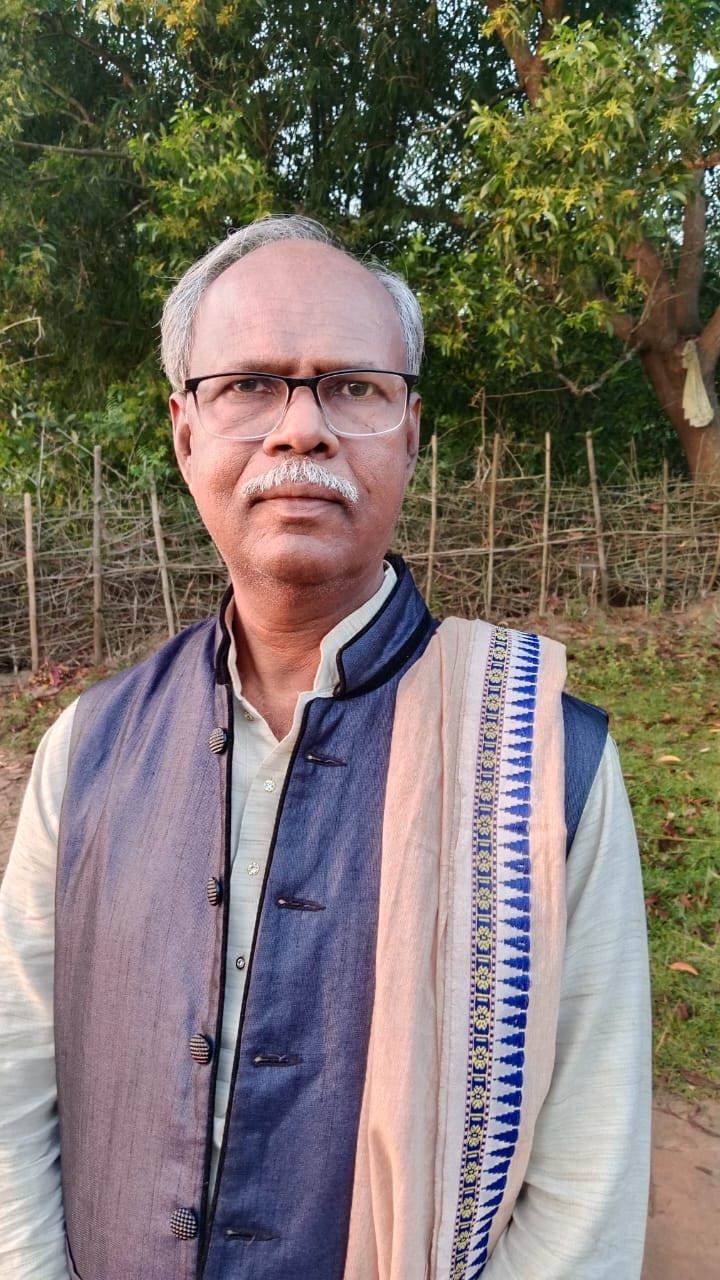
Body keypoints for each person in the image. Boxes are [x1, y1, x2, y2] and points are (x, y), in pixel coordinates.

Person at [0, 215, 651, 1280]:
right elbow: (16, 1080)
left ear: (410, 432)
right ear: (185, 432)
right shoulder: (89, 749)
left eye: (352, 387)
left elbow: (587, 1185)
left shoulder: (542, 766)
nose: (301, 428)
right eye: (249, 385)